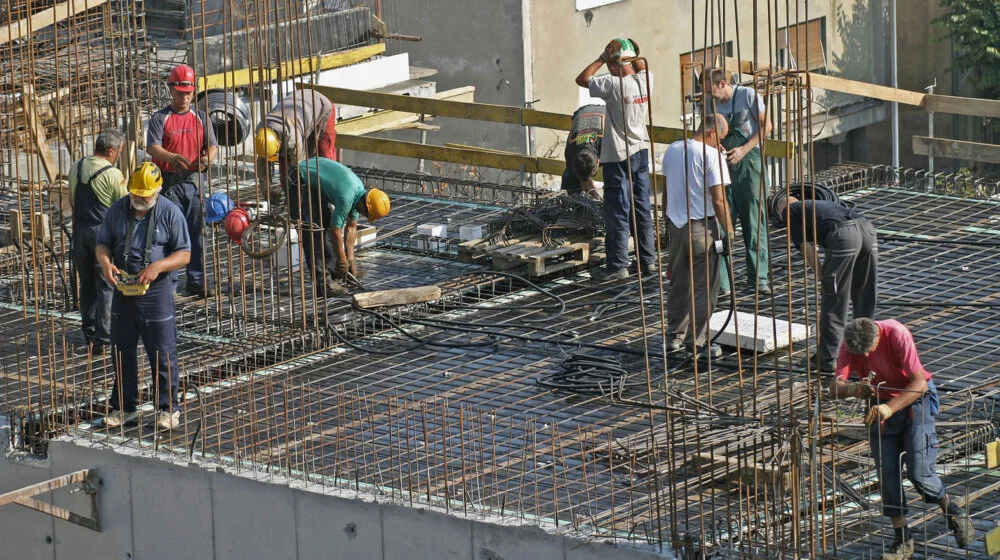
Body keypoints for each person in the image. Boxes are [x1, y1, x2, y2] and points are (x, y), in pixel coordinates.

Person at [831, 318, 974, 559]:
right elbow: (835, 387)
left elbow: (919, 383)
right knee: (888, 474)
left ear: (877, 337)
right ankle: (903, 540)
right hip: (879, 404)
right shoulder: (850, 343)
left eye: (869, 350)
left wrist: (890, 408)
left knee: (919, 472)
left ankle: (954, 512)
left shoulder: (896, 334)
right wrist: (852, 389)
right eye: (860, 353)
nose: (864, 356)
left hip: (913, 401)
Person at [96, 163, 191, 430]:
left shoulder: (170, 213)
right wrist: (106, 265)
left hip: (156, 291)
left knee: (162, 352)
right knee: (121, 350)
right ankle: (125, 407)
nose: (139, 200)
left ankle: (168, 409)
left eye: (144, 196)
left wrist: (158, 267)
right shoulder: (118, 210)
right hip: (124, 290)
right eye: (135, 194)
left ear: (158, 191)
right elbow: (102, 243)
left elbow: (185, 253)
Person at [575, 38, 656, 280]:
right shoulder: (646, 80)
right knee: (642, 208)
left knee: (618, 209)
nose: (608, 67)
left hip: (618, 155)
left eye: (611, 64)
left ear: (614, 64)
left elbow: (582, 80)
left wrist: (602, 58)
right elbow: (640, 65)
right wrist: (629, 55)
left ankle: (618, 266)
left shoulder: (612, 84)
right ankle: (648, 261)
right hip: (641, 151)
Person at [771, 195, 877, 372]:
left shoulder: (790, 211)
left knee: (834, 299)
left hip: (845, 236)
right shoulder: (821, 205)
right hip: (867, 229)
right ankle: (866, 350)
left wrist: (821, 275)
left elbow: (806, 247)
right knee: (865, 294)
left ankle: (827, 358)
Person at [662, 114, 734, 359]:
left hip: (676, 226)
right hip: (703, 228)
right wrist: (730, 231)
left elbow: (665, 191)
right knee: (705, 286)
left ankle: (674, 336)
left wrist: (668, 221)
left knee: (678, 283)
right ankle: (698, 342)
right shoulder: (711, 156)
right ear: (712, 132)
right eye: (720, 139)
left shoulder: (672, 149)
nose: (720, 146)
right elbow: (718, 200)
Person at [146, 64, 219, 298]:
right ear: (171, 91)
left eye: (188, 93)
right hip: (168, 183)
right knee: (168, 233)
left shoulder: (200, 116)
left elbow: (212, 145)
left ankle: (197, 280)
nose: (185, 97)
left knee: (198, 232)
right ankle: (170, 283)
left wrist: (207, 159)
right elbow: (152, 147)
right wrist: (171, 157)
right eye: (180, 93)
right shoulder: (161, 117)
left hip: (195, 181)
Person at [705, 68, 772, 296]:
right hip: (723, 167)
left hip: (749, 166)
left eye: (712, 92)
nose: (709, 97)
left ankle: (758, 278)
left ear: (723, 83)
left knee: (754, 224)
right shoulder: (708, 103)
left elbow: (766, 126)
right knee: (721, 227)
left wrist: (743, 150)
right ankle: (722, 283)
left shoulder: (748, 96)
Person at [294, 157, 390, 296]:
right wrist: (342, 259)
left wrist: (350, 260)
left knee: (325, 223)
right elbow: (336, 231)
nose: (363, 215)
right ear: (365, 204)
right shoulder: (347, 197)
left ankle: (334, 275)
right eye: (366, 213)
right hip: (299, 179)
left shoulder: (359, 195)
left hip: (314, 184)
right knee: (313, 231)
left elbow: (351, 228)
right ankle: (324, 285)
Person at [69, 129, 128, 355]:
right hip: (101, 235)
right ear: (111, 151)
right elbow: (124, 207)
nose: (118, 156)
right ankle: (104, 339)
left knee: (86, 284)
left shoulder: (77, 166)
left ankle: (90, 334)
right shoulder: (112, 174)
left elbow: (72, 199)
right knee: (106, 285)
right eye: (119, 152)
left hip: (79, 231)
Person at [254, 89, 337, 194]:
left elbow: (300, 166)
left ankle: (333, 189)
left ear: (278, 143)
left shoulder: (292, 137)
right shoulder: (262, 135)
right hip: (298, 113)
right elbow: (262, 164)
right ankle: (290, 194)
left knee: (324, 152)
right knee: (285, 164)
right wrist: (267, 192)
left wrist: (301, 192)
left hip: (320, 105)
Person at [561, 103, 605, 199]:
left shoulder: (607, 146)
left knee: (613, 172)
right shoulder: (570, 154)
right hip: (582, 112)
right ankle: (572, 203)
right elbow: (583, 178)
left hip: (607, 111)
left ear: (598, 161)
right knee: (570, 178)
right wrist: (586, 182)